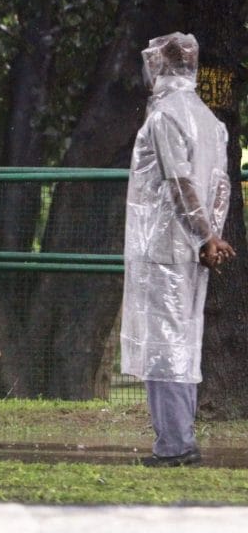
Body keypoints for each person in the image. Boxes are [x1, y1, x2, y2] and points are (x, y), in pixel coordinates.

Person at [121, 32, 234, 468]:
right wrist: (211, 238)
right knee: (184, 342)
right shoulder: (209, 120)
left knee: (164, 347)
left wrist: (204, 236)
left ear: (160, 66)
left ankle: (174, 443)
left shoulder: (166, 116)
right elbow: (219, 186)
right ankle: (179, 437)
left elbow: (179, 183)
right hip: (192, 252)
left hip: (165, 248)